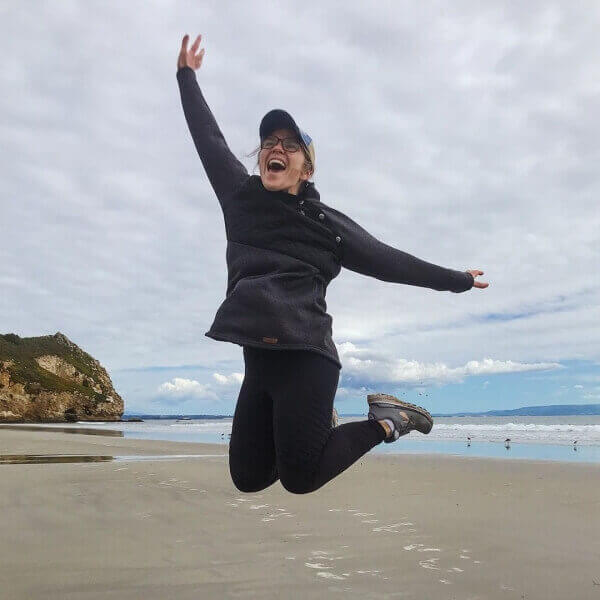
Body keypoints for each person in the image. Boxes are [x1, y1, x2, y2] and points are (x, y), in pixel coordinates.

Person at [176, 34, 488, 495]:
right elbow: (209, 140)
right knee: (248, 478)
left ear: (306, 169)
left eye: (290, 144)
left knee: (300, 479)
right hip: (257, 359)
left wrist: (456, 280)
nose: (275, 147)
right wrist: (186, 76)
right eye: (269, 141)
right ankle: (321, 427)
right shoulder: (240, 199)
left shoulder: (326, 225)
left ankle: (388, 421)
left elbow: (390, 261)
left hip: (307, 357)